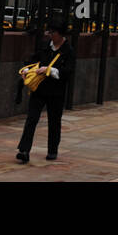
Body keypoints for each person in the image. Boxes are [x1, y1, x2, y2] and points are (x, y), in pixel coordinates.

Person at [15, 18, 75, 163]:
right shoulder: (45, 46)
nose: (49, 35)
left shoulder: (68, 51)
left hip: (56, 92)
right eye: (49, 32)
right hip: (39, 89)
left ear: (60, 34)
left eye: (52, 32)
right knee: (31, 119)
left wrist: (49, 70)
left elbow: (67, 72)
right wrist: (27, 69)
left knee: (54, 121)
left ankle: (52, 150)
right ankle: (24, 150)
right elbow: (33, 60)